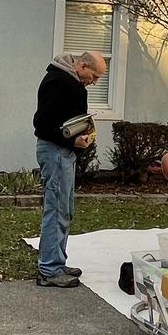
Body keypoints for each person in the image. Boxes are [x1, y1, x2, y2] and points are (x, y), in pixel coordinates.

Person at [31, 50, 106, 288]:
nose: (93, 82)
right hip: (55, 152)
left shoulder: (68, 82)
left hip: (62, 152)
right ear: (82, 66)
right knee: (56, 208)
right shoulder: (59, 82)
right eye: (94, 76)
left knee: (65, 208)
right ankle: (49, 270)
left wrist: (78, 137)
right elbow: (42, 124)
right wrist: (71, 140)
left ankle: (56, 261)